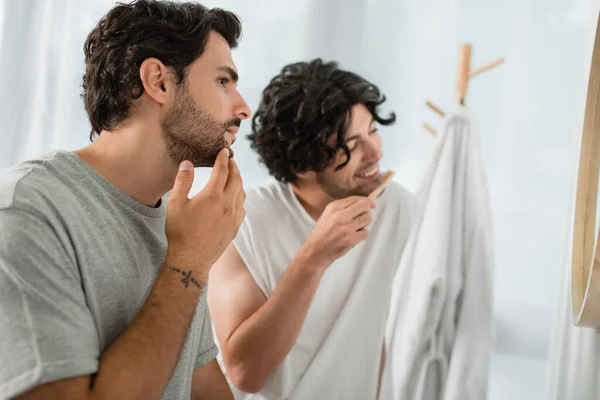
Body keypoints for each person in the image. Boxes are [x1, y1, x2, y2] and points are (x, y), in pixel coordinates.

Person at [0, 1, 250, 399]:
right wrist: (189, 263)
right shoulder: (26, 210)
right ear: (159, 82)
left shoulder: (179, 225)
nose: (243, 108)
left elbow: (203, 387)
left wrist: (190, 258)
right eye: (224, 81)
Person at [207, 59, 419, 400]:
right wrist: (314, 256)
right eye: (351, 143)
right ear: (301, 164)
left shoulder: (399, 209)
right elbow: (246, 372)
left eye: (373, 131)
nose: (375, 152)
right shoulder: (241, 222)